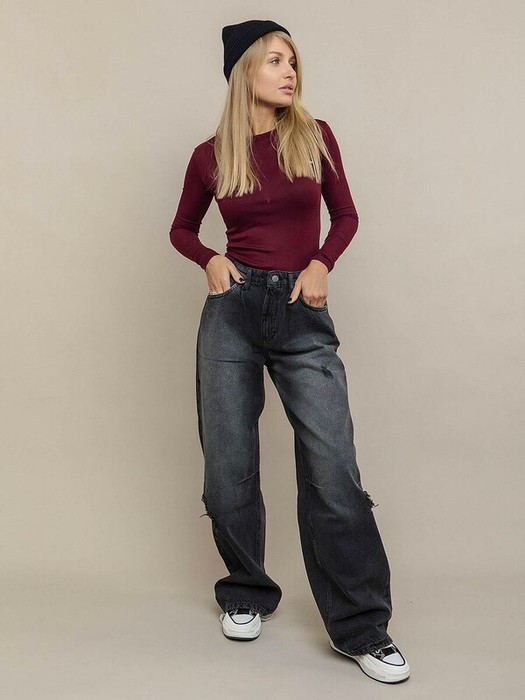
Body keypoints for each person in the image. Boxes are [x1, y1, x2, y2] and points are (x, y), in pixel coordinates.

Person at [169, 19, 410, 684]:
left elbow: (346, 215)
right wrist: (209, 259)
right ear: (243, 70)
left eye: (292, 61)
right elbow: (181, 228)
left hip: (302, 311)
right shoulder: (209, 155)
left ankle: (362, 627)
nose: (289, 71)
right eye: (275, 60)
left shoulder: (314, 135)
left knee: (333, 470)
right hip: (233, 311)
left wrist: (322, 262)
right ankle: (246, 590)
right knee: (227, 470)